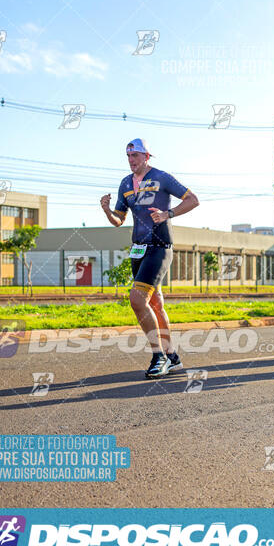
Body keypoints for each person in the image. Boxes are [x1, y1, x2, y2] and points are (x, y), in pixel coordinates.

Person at [100, 138, 199, 378]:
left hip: (160, 246)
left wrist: (168, 213)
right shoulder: (125, 183)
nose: (131, 160)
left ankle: (158, 356)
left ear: (146, 156)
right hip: (139, 249)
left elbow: (193, 200)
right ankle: (172, 356)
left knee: (137, 299)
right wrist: (106, 210)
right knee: (155, 304)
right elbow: (119, 220)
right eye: (128, 157)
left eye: (135, 156)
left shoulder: (162, 177)